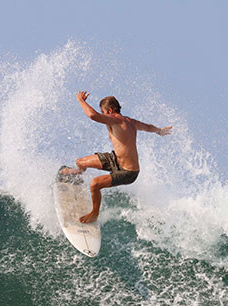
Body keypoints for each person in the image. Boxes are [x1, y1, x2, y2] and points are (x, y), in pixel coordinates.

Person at [66, 91, 172, 224]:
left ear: (110, 111)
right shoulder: (131, 122)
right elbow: (147, 127)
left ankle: (94, 214)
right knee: (80, 162)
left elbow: (93, 115)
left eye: (104, 113)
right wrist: (159, 131)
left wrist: (81, 101)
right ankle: (77, 174)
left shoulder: (116, 120)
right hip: (116, 159)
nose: (103, 117)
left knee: (94, 184)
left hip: (128, 172)